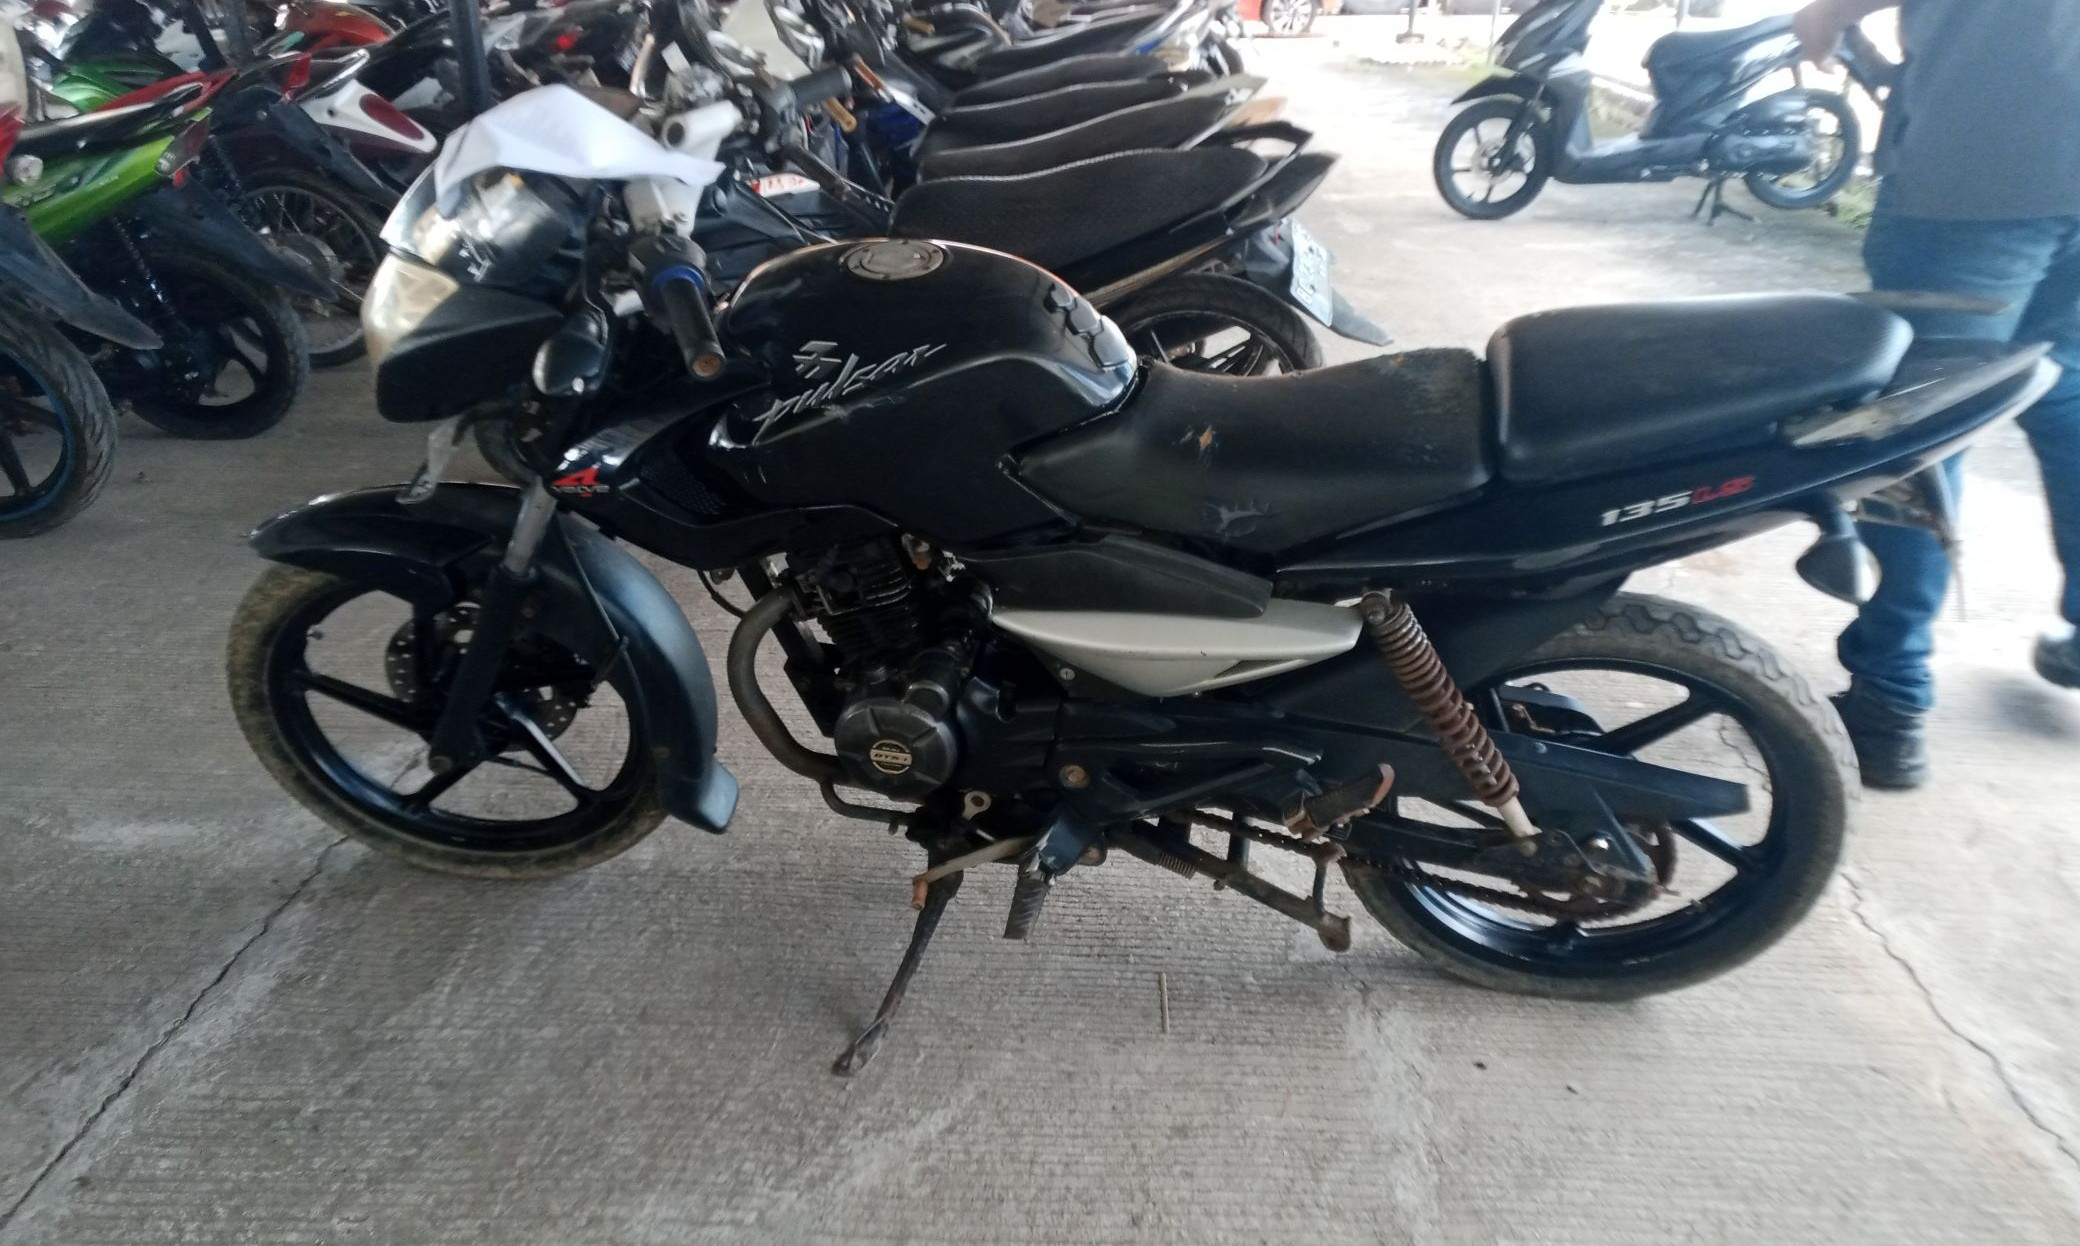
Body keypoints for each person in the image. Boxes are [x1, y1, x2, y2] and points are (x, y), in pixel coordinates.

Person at [1792, 0, 2080, 790]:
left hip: (1995, 147)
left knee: (1921, 425)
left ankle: (1890, 696)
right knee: (2068, 396)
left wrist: (1830, 12)